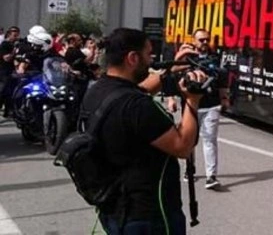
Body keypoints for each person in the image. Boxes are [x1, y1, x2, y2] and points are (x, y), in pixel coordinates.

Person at [80, 28, 205, 234]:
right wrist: (192, 100)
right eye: (148, 54)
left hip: (114, 208)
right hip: (148, 216)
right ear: (132, 58)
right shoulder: (138, 107)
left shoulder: (98, 90)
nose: (152, 60)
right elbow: (183, 146)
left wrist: (170, 70)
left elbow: (139, 91)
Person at [166, 29, 230, 190]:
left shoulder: (215, 58)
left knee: (210, 139)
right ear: (194, 41)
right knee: (190, 140)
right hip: (190, 105)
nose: (205, 42)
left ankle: (211, 176)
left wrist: (224, 98)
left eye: (207, 39)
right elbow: (171, 76)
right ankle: (190, 170)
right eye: (201, 40)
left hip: (211, 104)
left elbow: (222, 79)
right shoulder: (186, 57)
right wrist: (171, 98)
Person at [0, 26, 20, 117]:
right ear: (9, 35)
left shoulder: (14, 44)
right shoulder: (5, 44)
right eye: (14, 35)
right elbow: (6, 58)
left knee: (11, 91)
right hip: (4, 71)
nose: (16, 37)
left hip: (12, 71)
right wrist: (14, 52)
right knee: (3, 90)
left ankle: (8, 111)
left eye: (17, 35)